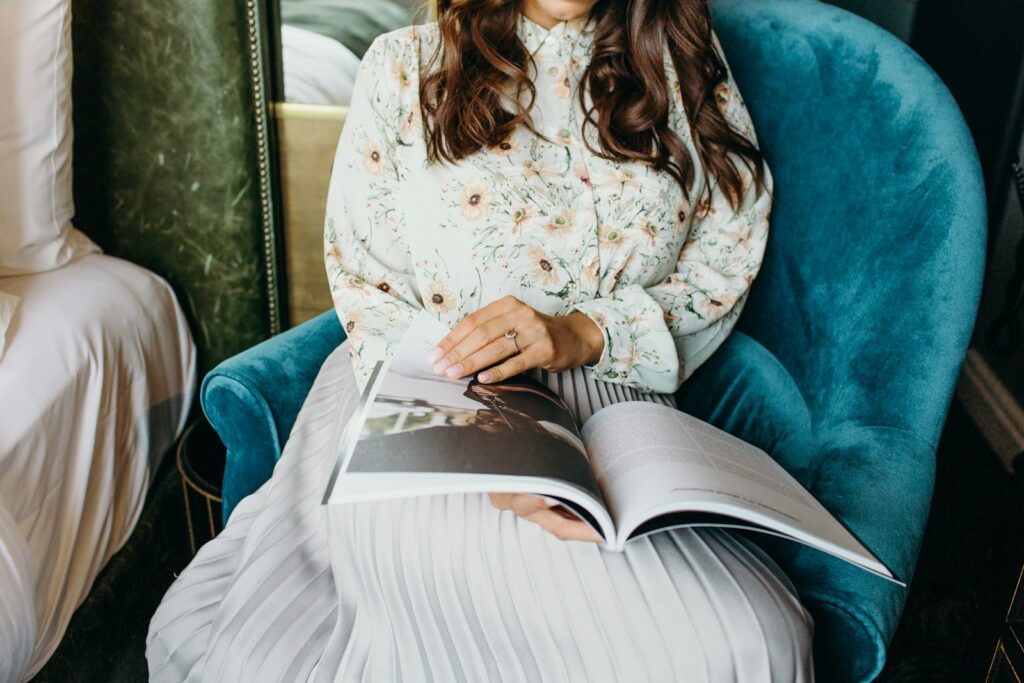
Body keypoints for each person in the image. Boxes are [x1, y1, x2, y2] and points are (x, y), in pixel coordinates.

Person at [147, 0, 815, 680]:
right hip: (435, 406)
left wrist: (586, 332)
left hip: (621, 412)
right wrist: (500, 456)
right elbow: (371, 291)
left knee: (761, 638)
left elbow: (725, 257)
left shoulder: (679, 65)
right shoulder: (404, 68)